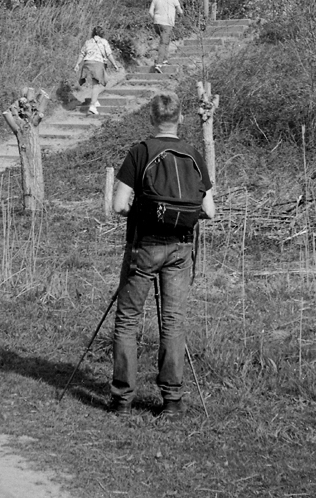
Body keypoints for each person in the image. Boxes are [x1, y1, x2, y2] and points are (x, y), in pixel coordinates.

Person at [110, 90, 214, 418]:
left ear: (152, 119)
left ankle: (122, 399)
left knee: (128, 319)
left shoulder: (140, 152)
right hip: (181, 247)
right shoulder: (194, 154)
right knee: (173, 321)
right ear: (181, 118)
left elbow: (118, 205)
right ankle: (172, 400)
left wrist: (141, 210)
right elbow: (209, 211)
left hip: (145, 245)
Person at [74, 25, 121, 115]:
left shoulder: (88, 42)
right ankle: (92, 106)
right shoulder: (104, 42)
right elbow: (109, 54)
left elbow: (82, 53)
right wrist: (115, 64)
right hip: (97, 63)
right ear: (102, 33)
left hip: (87, 63)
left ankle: (95, 100)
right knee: (97, 85)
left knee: (96, 82)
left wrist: (77, 64)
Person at [149, 0, 183, 72]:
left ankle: (164, 59)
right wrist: (181, 15)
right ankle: (159, 64)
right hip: (167, 23)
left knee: (165, 40)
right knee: (163, 43)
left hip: (157, 23)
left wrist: (155, 18)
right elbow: (180, 11)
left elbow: (150, 12)